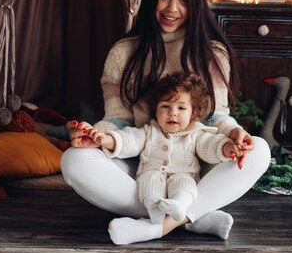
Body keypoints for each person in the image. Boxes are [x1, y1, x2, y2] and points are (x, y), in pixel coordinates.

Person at [61, 0, 271, 245]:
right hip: (142, 168)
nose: (172, 9)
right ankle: (192, 216)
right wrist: (95, 136)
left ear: (195, 4)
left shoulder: (212, 53)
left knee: (259, 151)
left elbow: (217, 118)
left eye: (183, 0)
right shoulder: (124, 53)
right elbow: (118, 120)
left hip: (197, 164)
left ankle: (157, 225)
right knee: (73, 160)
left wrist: (234, 134)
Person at [77, 72, 243, 226]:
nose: (172, 113)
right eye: (165, 106)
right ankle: (154, 209)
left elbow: (210, 145)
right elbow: (129, 140)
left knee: (186, 184)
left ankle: (179, 205)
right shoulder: (149, 131)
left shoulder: (196, 134)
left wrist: (226, 147)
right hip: (152, 173)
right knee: (148, 182)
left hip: (183, 174)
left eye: (181, 108)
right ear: (155, 110)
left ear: (194, 113)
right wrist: (107, 139)